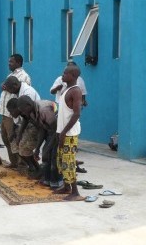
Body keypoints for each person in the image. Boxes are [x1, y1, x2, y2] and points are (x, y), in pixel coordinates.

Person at [54, 64, 85, 201]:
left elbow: (77, 114)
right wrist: (60, 131)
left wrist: (64, 132)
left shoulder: (75, 91)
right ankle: (66, 187)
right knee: (61, 160)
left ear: (73, 76)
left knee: (69, 162)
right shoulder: (66, 89)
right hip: (62, 131)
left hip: (70, 134)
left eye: (65, 73)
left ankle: (75, 192)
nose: (62, 75)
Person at [17, 95, 63, 188]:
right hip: (51, 130)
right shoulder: (32, 112)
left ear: (28, 105)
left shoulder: (44, 110)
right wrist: (37, 148)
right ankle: (48, 180)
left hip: (60, 130)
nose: (23, 113)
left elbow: (55, 131)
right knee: (47, 156)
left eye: (23, 110)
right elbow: (42, 129)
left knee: (53, 156)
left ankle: (57, 183)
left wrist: (46, 148)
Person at [0, 54, 31, 168]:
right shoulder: (11, 74)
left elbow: (20, 92)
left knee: (13, 138)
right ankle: (14, 162)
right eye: (9, 62)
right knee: (5, 138)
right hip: (4, 112)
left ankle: (22, 163)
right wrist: (3, 85)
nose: (9, 64)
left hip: (13, 114)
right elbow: (5, 85)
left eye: (11, 62)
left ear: (18, 63)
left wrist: (6, 86)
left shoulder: (24, 76)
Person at [6, 98, 39, 176]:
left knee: (24, 147)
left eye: (11, 111)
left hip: (32, 129)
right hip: (23, 129)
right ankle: (30, 165)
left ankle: (36, 167)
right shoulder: (20, 114)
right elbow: (18, 123)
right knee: (14, 145)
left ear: (17, 108)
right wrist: (14, 133)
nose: (11, 114)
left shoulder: (27, 112)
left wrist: (20, 136)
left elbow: (35, 125)